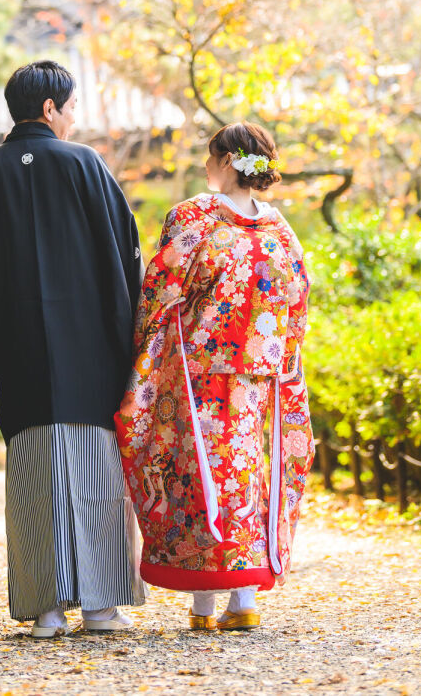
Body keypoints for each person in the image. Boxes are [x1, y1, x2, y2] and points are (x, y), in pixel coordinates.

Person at [0, 60, 145, 638]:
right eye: (71, 107)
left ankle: (45, 610)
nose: (74, 117)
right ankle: (100, 607)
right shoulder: (85, 164)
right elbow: (125, 255)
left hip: (18, 353)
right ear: (50, 109)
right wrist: (131, 333)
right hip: (90, 352)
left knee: (32, 476)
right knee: (96, 472)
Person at [116, 121, 314, 632]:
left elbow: (158, 289)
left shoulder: (195, 217)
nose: (206, 165)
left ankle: (204, 606)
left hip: (197, 376)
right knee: (247, 476)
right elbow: (297, 303)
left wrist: (141, 347)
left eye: (211, 156)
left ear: (228, 160)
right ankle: (242, 599)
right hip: (258, 379)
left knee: (196, 477)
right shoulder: (281, 233)